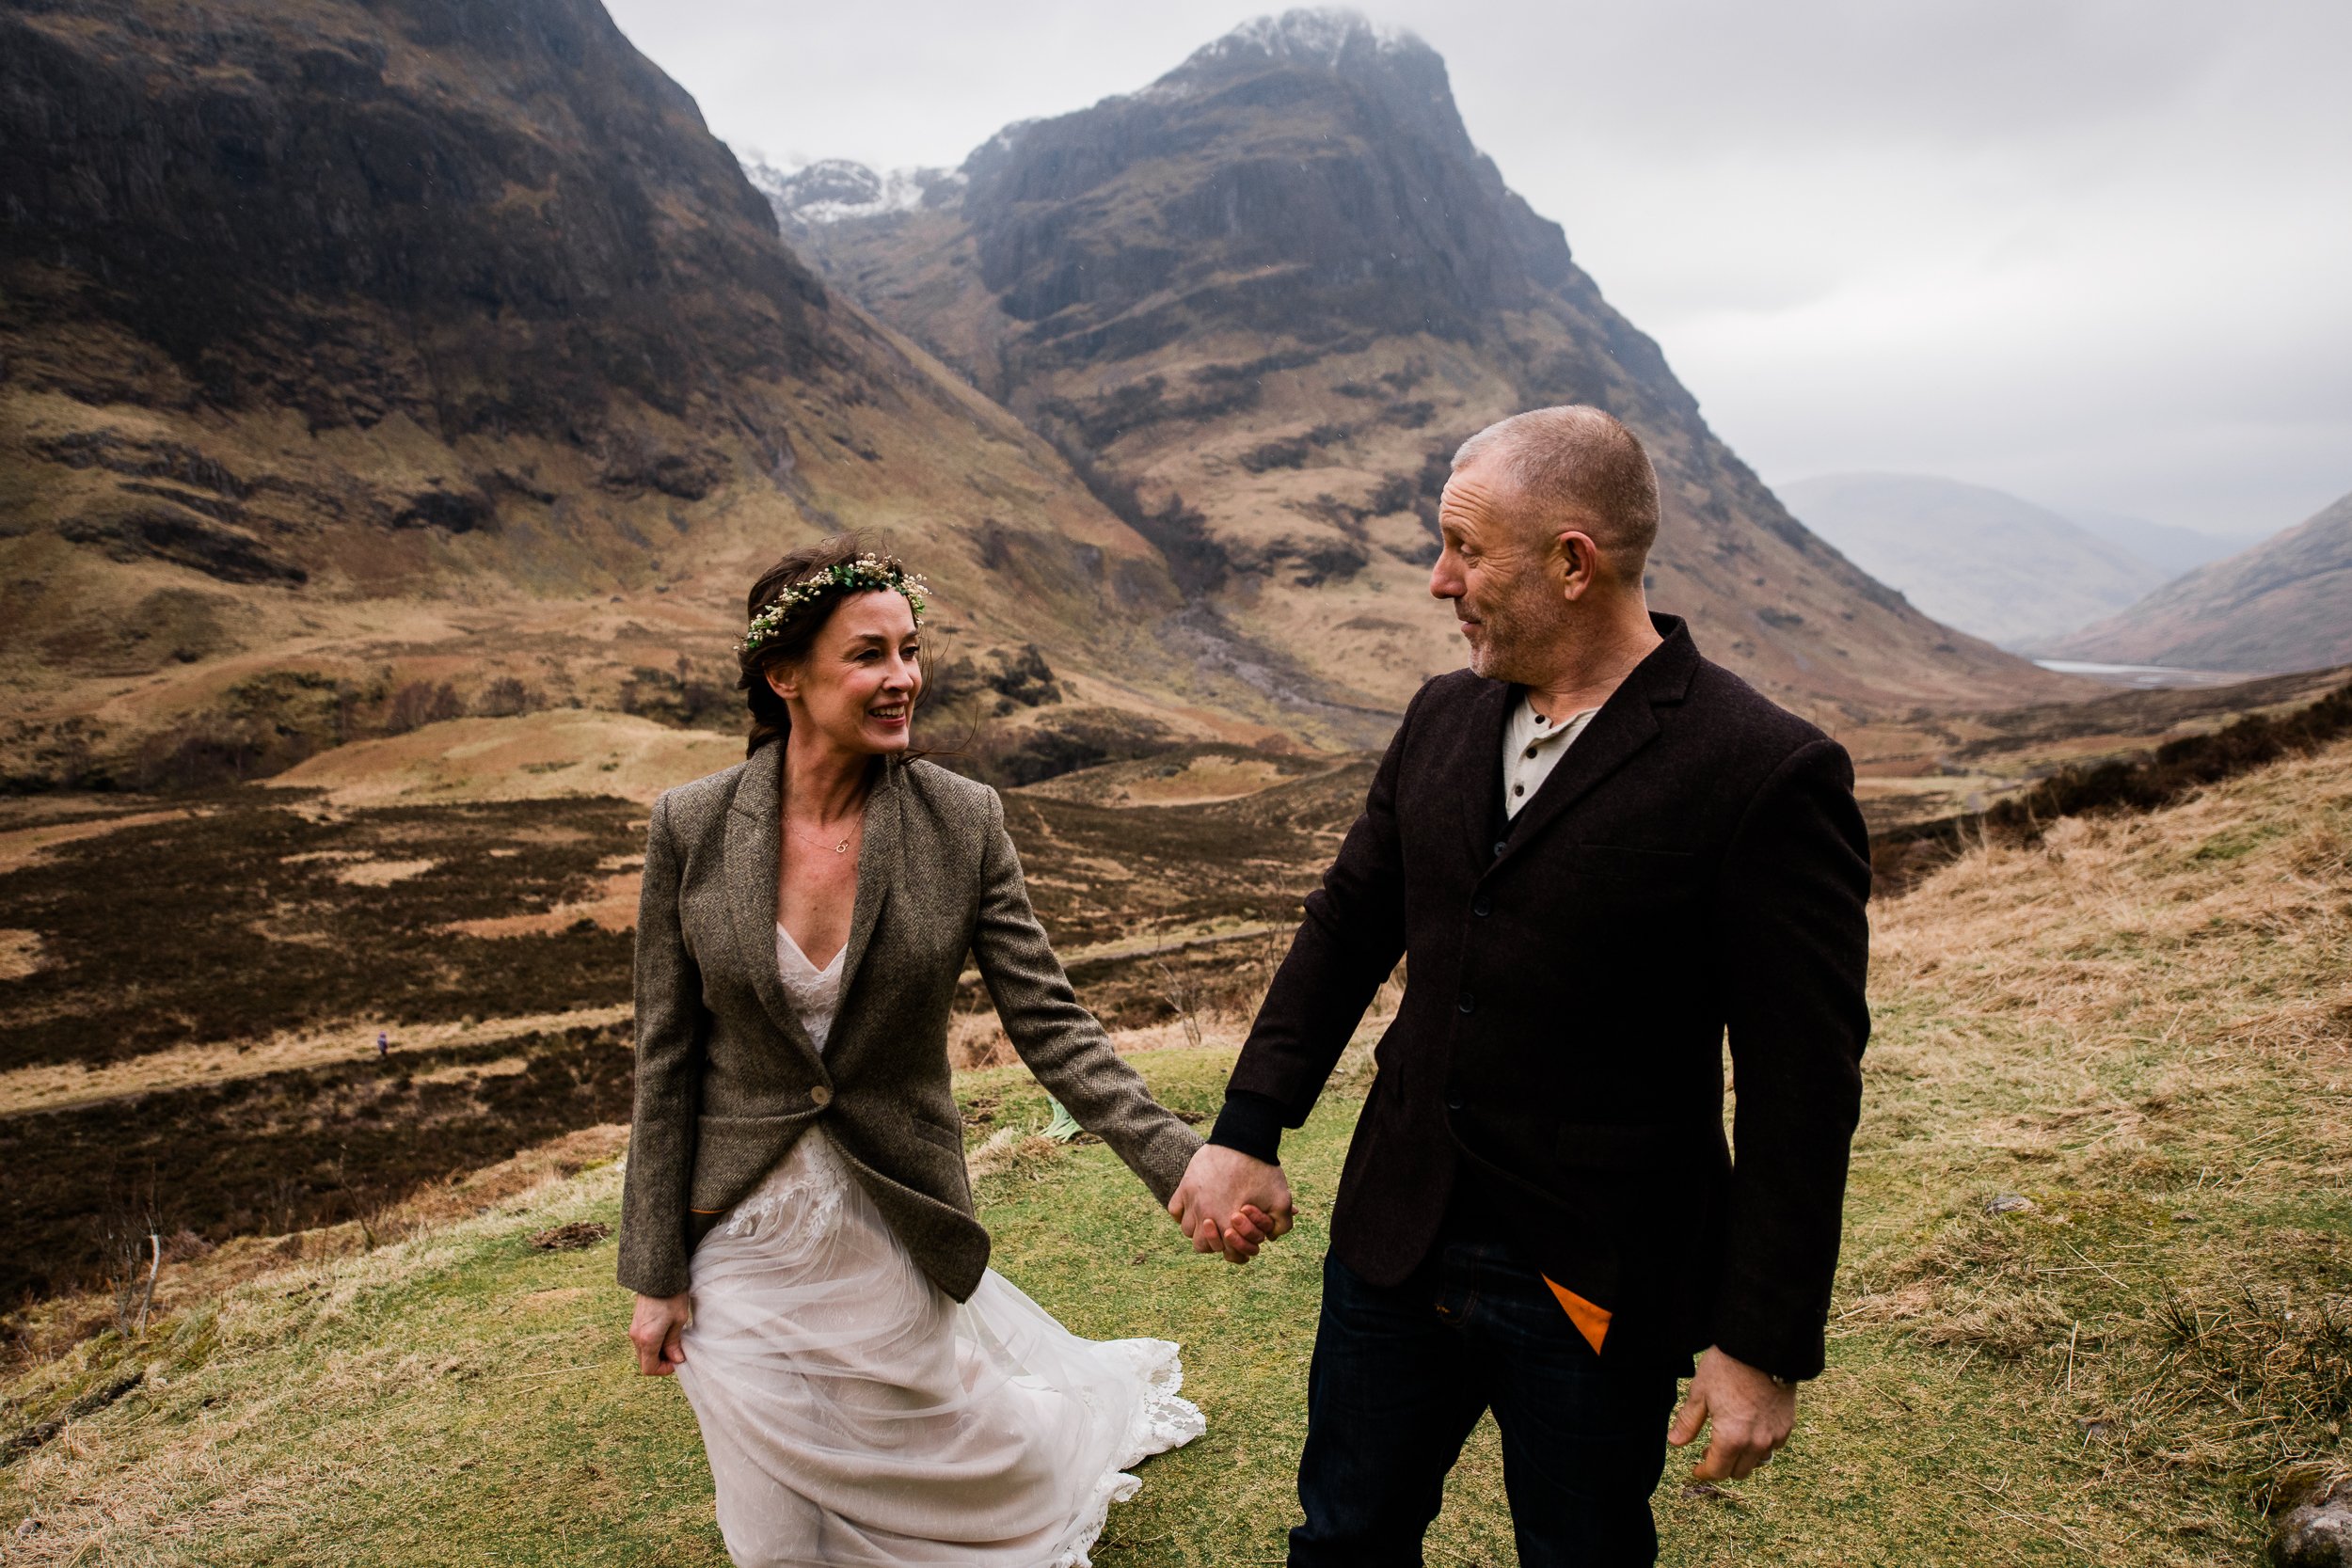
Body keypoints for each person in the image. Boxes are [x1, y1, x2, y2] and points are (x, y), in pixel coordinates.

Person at [1168, 405, 1873, 1566]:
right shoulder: (1443, 715)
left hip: (1595, 1277)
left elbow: (1803, 1086)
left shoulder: (1764, 768)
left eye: (1464, 548)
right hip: (1394, 1237)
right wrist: (1248, 1125)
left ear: (1571, 560)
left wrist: (1761, 1339)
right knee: (1343, 1534)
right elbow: (1348, 927)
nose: (1439, 579)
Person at [618, 539, 1207, 1568]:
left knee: (971, 1465)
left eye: (910, 649)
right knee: (773, 1543)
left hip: (893, 1205)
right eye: (869, 655)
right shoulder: (692, 824)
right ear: (783, 675)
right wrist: (655, 1269)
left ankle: (1044, 1458)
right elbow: (665, 1058)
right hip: (737, 1233)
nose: (903, 678)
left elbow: (1051, 1022)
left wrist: (1176, 1159)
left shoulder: (961, 820)